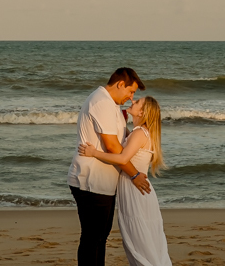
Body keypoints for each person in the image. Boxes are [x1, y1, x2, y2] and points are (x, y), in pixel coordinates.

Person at [68, 68, 151, 266]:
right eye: (131, 92)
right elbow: (113, 146)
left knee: (99, 238)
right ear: (120, 84)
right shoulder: (102, 102)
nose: (131, 97)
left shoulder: (111, 104)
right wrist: (135, 175)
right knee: (92, 238)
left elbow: (122, 140)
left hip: (103, 182)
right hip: (90, 181)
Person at [79, 95, 171, 266]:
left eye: (137, 103)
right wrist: (122, 123)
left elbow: (122, 158)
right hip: (138, 190)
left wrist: (94, 153)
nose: (133, 101)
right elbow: (127, 145)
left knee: (139, 242)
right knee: (145, 241)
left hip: (135, 190)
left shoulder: (139, 133)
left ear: (142, 112)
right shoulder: (142, 132)